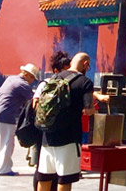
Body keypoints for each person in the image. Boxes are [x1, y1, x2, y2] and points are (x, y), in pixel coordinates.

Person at [37, 52, 95, 191]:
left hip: (48, 136)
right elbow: (88, 110)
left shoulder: (55, 77)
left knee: (44, 177)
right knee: (64, 179)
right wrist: (93, 108)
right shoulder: (85, 82)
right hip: (69, 137)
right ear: (85, 64)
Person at [31, 51, 71, 191]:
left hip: (45, 128)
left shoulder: (45, 84)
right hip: (46, 131)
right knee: (45, 167)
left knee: (47, 167)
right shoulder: (48, 83)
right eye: (66, 69)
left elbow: (35, 104)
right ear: (56, 70)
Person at [0, 63, 38, 176]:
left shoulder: (11, 79)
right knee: (7, 143)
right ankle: (4, 169)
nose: (33, 80)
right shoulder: (23, 84)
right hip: (6, 115)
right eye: (32, 77)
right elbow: (34, 101)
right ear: (26, 74)